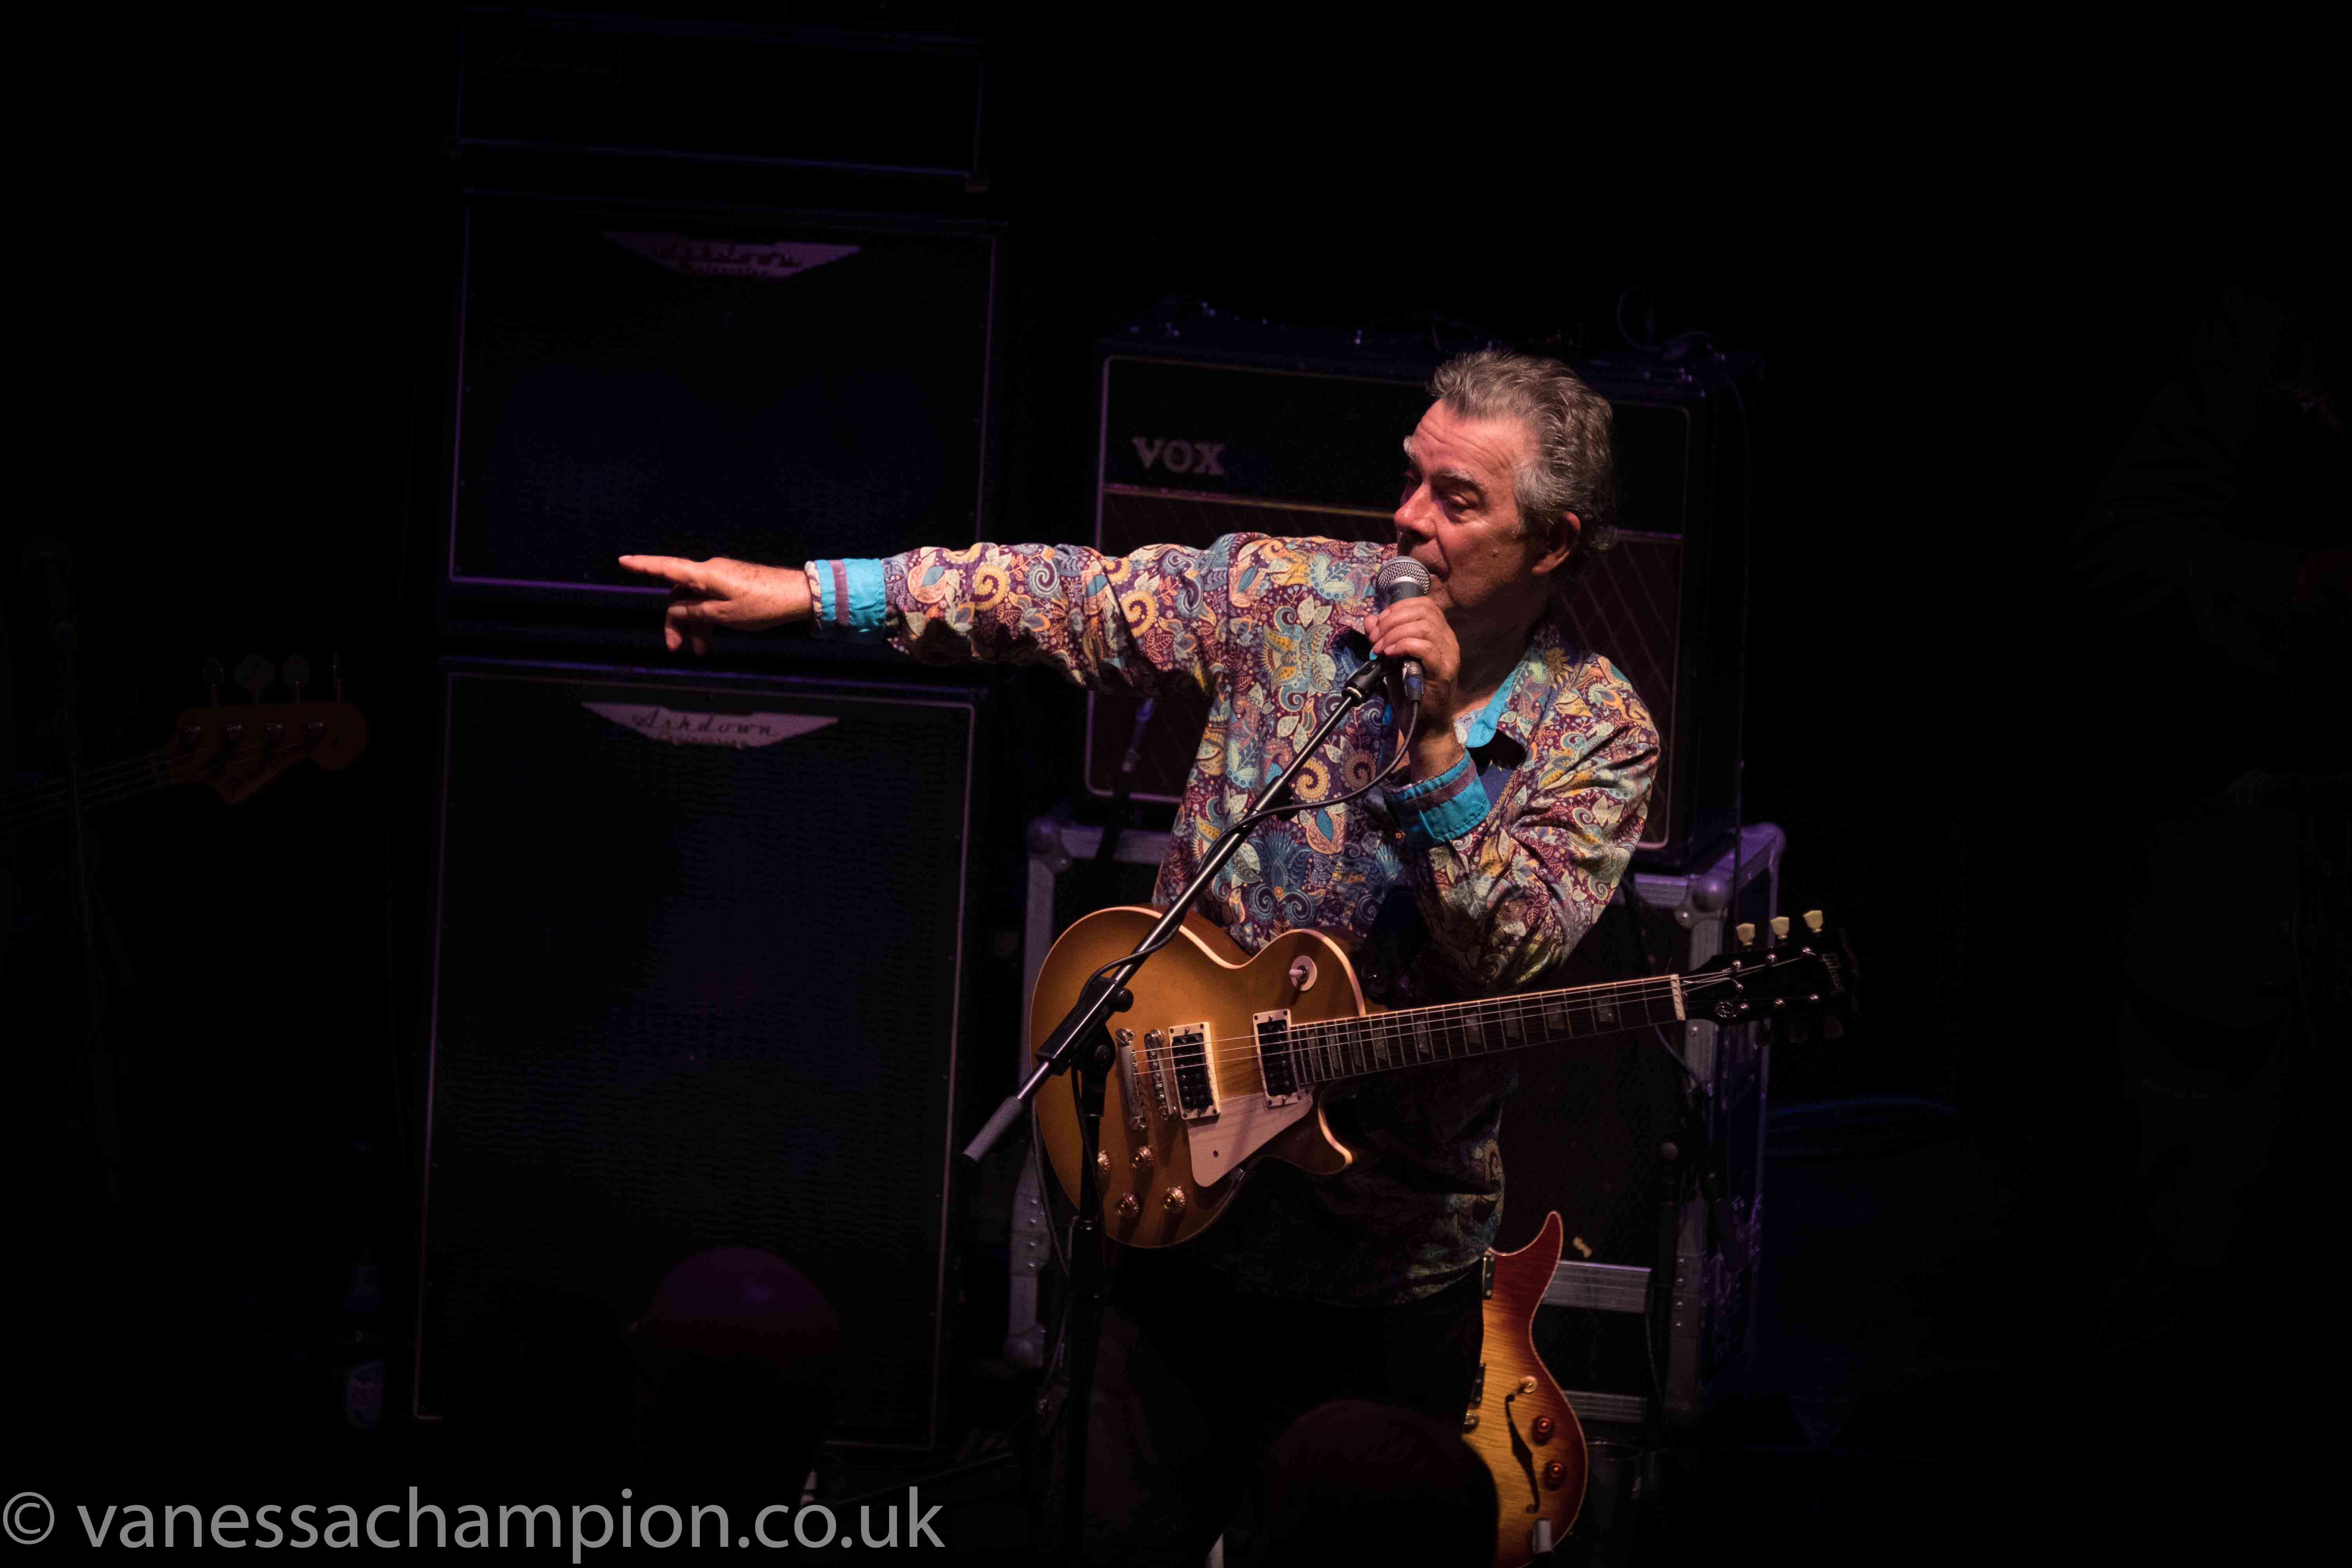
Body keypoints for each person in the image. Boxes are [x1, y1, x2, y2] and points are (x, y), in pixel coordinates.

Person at [621, 348, 1657, 1563]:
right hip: (1172, 1218)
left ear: (1552, 542)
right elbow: (1075, 600)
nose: (1410, 520)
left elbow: (1508, 944)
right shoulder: (1294, 599)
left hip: (1384, 1275)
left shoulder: (1598, 731)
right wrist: (816, 595)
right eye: (1411, 479)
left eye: (1458, 499)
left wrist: (1434, 748)